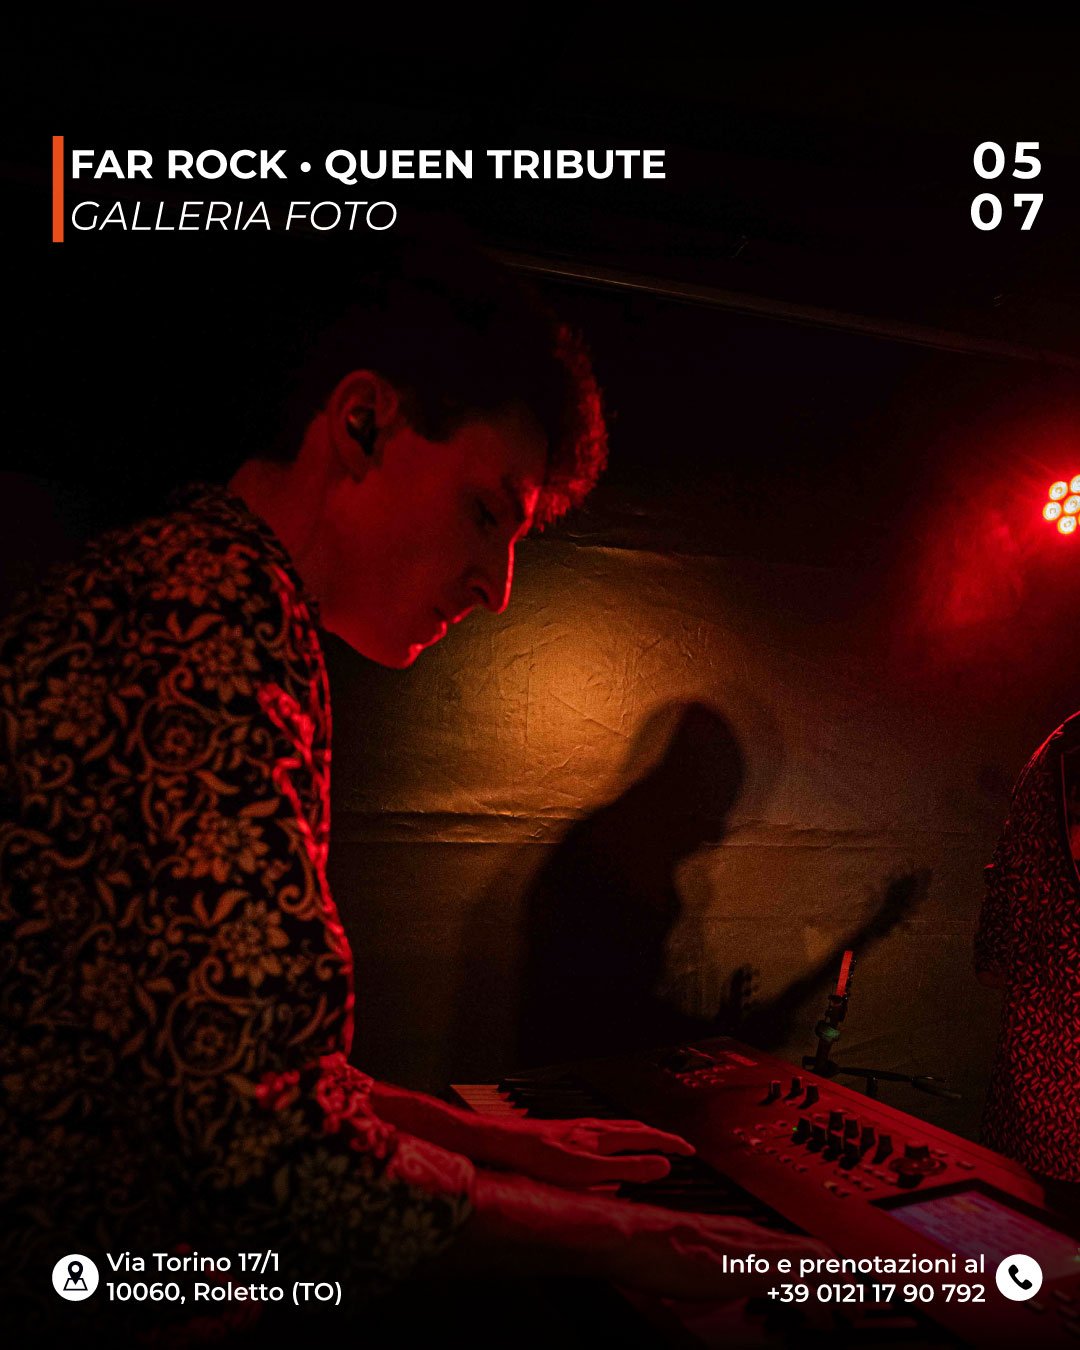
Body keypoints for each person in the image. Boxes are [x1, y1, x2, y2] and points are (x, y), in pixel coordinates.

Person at [0, 245, 825, 1343]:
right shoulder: (207, 620)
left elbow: (228, 1055)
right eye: (487, 514)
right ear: (362, 425)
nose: (499, 590)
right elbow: (261, 1139)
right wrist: (636, 1238)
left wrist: (486, 1137)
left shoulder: (195, 587)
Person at [975, 709, 1080, 1215]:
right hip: (1055, 1045)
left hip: (1044, 1041)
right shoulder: (1061, 754)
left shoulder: (1054, 750)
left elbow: (1010, 869)